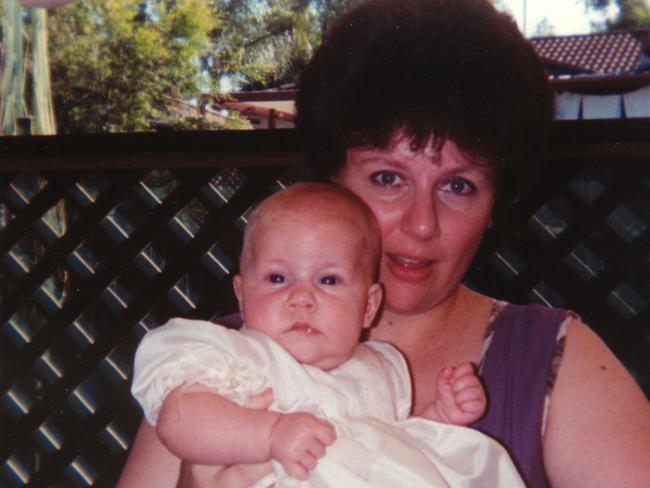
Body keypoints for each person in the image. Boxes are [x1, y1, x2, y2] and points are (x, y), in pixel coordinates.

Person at [118, 1, 650, 487]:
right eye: (388, 178)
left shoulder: (551, 362)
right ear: (333, 179)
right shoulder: (219, 369)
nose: (422, 224)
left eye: (458, 186)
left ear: (493, 207)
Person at [129, 183, 525, 487]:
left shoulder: (381, 369)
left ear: (368, 306)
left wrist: (439, 417)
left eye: (329, 280)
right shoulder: (237, 356)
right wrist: (270, 434)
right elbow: (180, 419)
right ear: (242, 295)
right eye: (277, 278)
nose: (301, 298)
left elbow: (391, 449)